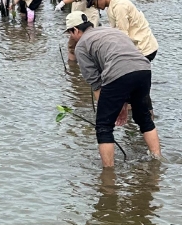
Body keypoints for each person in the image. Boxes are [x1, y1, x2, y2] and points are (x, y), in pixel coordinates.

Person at [65, 12, 161, 165]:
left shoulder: (82, 45)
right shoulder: (111, 31)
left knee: (104, 126)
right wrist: (121, 104)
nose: (71, 37)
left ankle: (108, 173)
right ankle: (157, 160)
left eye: (70, 33)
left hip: (119, 74)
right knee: (144, 118)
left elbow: (96, 84)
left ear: (75, 30)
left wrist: (108, 111)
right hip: (143, 69)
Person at [84, 0, 159, 59]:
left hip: (144, 47)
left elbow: (123, 34)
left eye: (94, 3)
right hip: (138, 45)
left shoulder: (119, 6)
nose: (95, 7)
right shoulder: (111, 6)